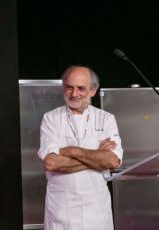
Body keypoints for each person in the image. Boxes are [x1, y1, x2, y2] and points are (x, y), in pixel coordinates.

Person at [37, 65, 123, 230]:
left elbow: (113, 161)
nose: (74, 94)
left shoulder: (106, 119)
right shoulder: (51, 118)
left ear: (93, 90)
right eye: (69, 87)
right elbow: (51, 163)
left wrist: (71, 150)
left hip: (96, 209)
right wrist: (97, 157)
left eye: (81, 88)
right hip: (62, 209)